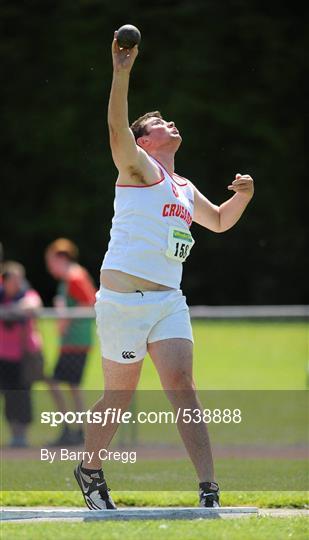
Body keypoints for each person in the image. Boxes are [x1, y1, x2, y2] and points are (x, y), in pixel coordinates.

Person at [74, 32, 254, 510]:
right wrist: (121, 72)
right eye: (159, 123)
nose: (170, 123)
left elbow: (216, 222)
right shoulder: (137, 167)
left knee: (183, 387)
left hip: (168, 302)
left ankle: (209, 489)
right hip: (122, 302)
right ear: (144, 140)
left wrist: (243, 197)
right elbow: (116, 129)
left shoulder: (182, 186)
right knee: (120, 395)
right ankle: (90, 468)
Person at [45, 238, 96, 446]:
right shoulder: (69, 279)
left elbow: (88, 302)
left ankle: (74, 428)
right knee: (71, 386)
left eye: (51, 261)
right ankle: (77, 429)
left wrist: (66, 318)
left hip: (77, 341)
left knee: (57, 382)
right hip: (71, 342)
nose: (50, 267)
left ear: (60, 258)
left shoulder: (75, 276)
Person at [0, 261, 43, 447]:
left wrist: (8, 312)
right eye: (13, 280)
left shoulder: (27, 294)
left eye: (20, 280)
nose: (17, 284)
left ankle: (21, 437)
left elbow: (32, 305)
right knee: (8, 397)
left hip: (24, 355)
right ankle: (13, 435)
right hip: (3, 356)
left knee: (22, 396)